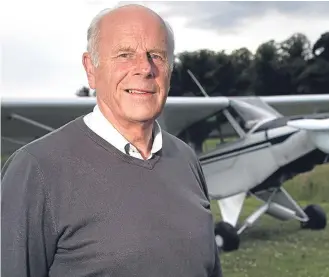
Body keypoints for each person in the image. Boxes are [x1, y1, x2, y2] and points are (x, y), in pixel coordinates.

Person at [1, 3, 222, 277]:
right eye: (124, 54)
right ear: (91, 69)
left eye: (156, 55)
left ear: (169, 70)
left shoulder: (186, 159)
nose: (144, 68)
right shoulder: (35, 169)